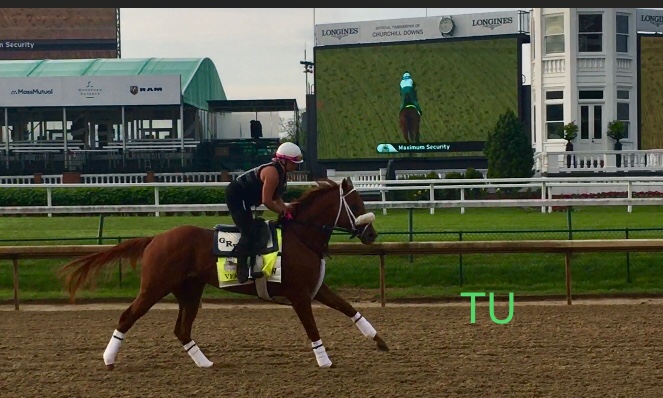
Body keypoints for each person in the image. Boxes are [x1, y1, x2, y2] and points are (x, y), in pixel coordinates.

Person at [225, 141, 303, 283]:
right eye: (294, 162)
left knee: (255, 227)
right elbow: (267, 201)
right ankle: (240, 266)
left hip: (245, 198)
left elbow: (276, 197)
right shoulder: (272, 173)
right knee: (247, 230)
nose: (296, 165)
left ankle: (254, 263)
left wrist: (285, 208)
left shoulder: (282, 173)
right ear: (283, 160)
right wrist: (282, 212)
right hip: (236, 196)